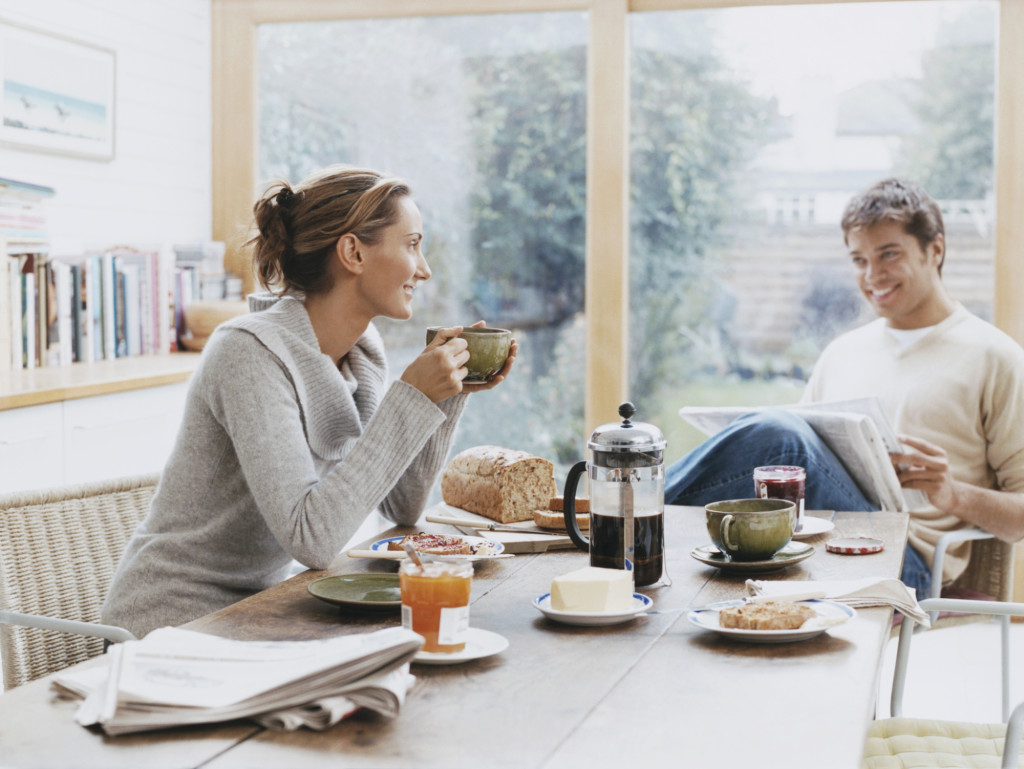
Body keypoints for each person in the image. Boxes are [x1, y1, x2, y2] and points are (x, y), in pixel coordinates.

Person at [102, 165, 516, 638]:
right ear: (353, 252)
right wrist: (413, 395)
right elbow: (313, 539)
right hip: (174, 621)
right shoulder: (248, 352)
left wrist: (443, 397)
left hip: (264, 608)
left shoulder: (361, 351)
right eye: (412, 244)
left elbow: (402, 506)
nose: (423, 269)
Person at [666, 177, 1024, 596]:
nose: (872, 275)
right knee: (781, 447)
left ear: (936, 250)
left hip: (906, 562)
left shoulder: (994, 356)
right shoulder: (843, 351)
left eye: (889, 254)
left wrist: (951, 494)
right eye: (858, 259)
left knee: (785, 443)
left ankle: (618, 516)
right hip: (813, 544)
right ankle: (629, 525)